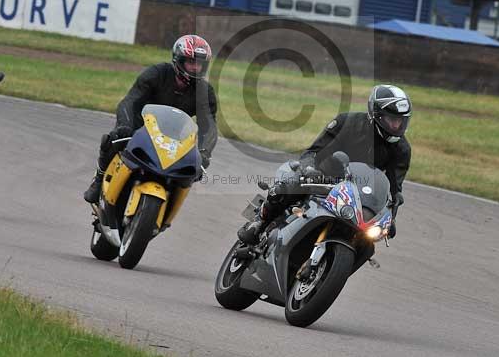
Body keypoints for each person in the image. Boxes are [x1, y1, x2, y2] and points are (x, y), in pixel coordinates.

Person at [238, 84, 412, 244]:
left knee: (367, 241)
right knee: (289, 187)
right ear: (376, 115)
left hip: (358, 194)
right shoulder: (347, 122)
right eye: (393, 120)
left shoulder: (402, 149)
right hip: (324, 176)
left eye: (402, 121)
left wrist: (391, 217)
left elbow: (393, 190)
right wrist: (308, 169)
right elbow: (313, 151)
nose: (398, 126)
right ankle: (260, 222)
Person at [82, 34, 218, 203]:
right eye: (191, 62)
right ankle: (99, 178)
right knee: (114, 139)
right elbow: (130, 101)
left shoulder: (205, 92)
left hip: (174, 140)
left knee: (190, 171)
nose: (196, 68)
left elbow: (209, 126)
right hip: (140, 129)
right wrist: (125, 125)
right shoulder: (157, 73)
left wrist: (204, 153)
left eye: (200, 64)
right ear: (178, 60)